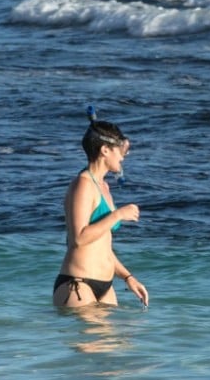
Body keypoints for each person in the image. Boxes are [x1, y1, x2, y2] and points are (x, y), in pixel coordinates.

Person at [53, 113, 149, 308]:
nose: (122, 157)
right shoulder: (83, 184)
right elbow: (79, 238)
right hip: (78, 284)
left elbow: (101, 246)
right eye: (119, 151)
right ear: (105, 150)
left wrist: (127, 277)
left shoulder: (103, 187)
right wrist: (119, 214)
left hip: (105, 287)